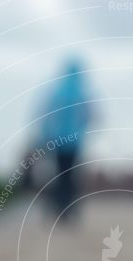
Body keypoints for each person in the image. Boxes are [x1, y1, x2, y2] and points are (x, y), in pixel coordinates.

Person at [37, 58, 93, 222]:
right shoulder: (82, 93)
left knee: (58, 175)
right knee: (71, 177)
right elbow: (89, 116)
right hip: (75, 143)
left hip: (57, 141)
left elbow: (47, 117)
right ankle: (68, 210)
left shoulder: (57, 92)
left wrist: (45, 136)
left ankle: (58, 208)